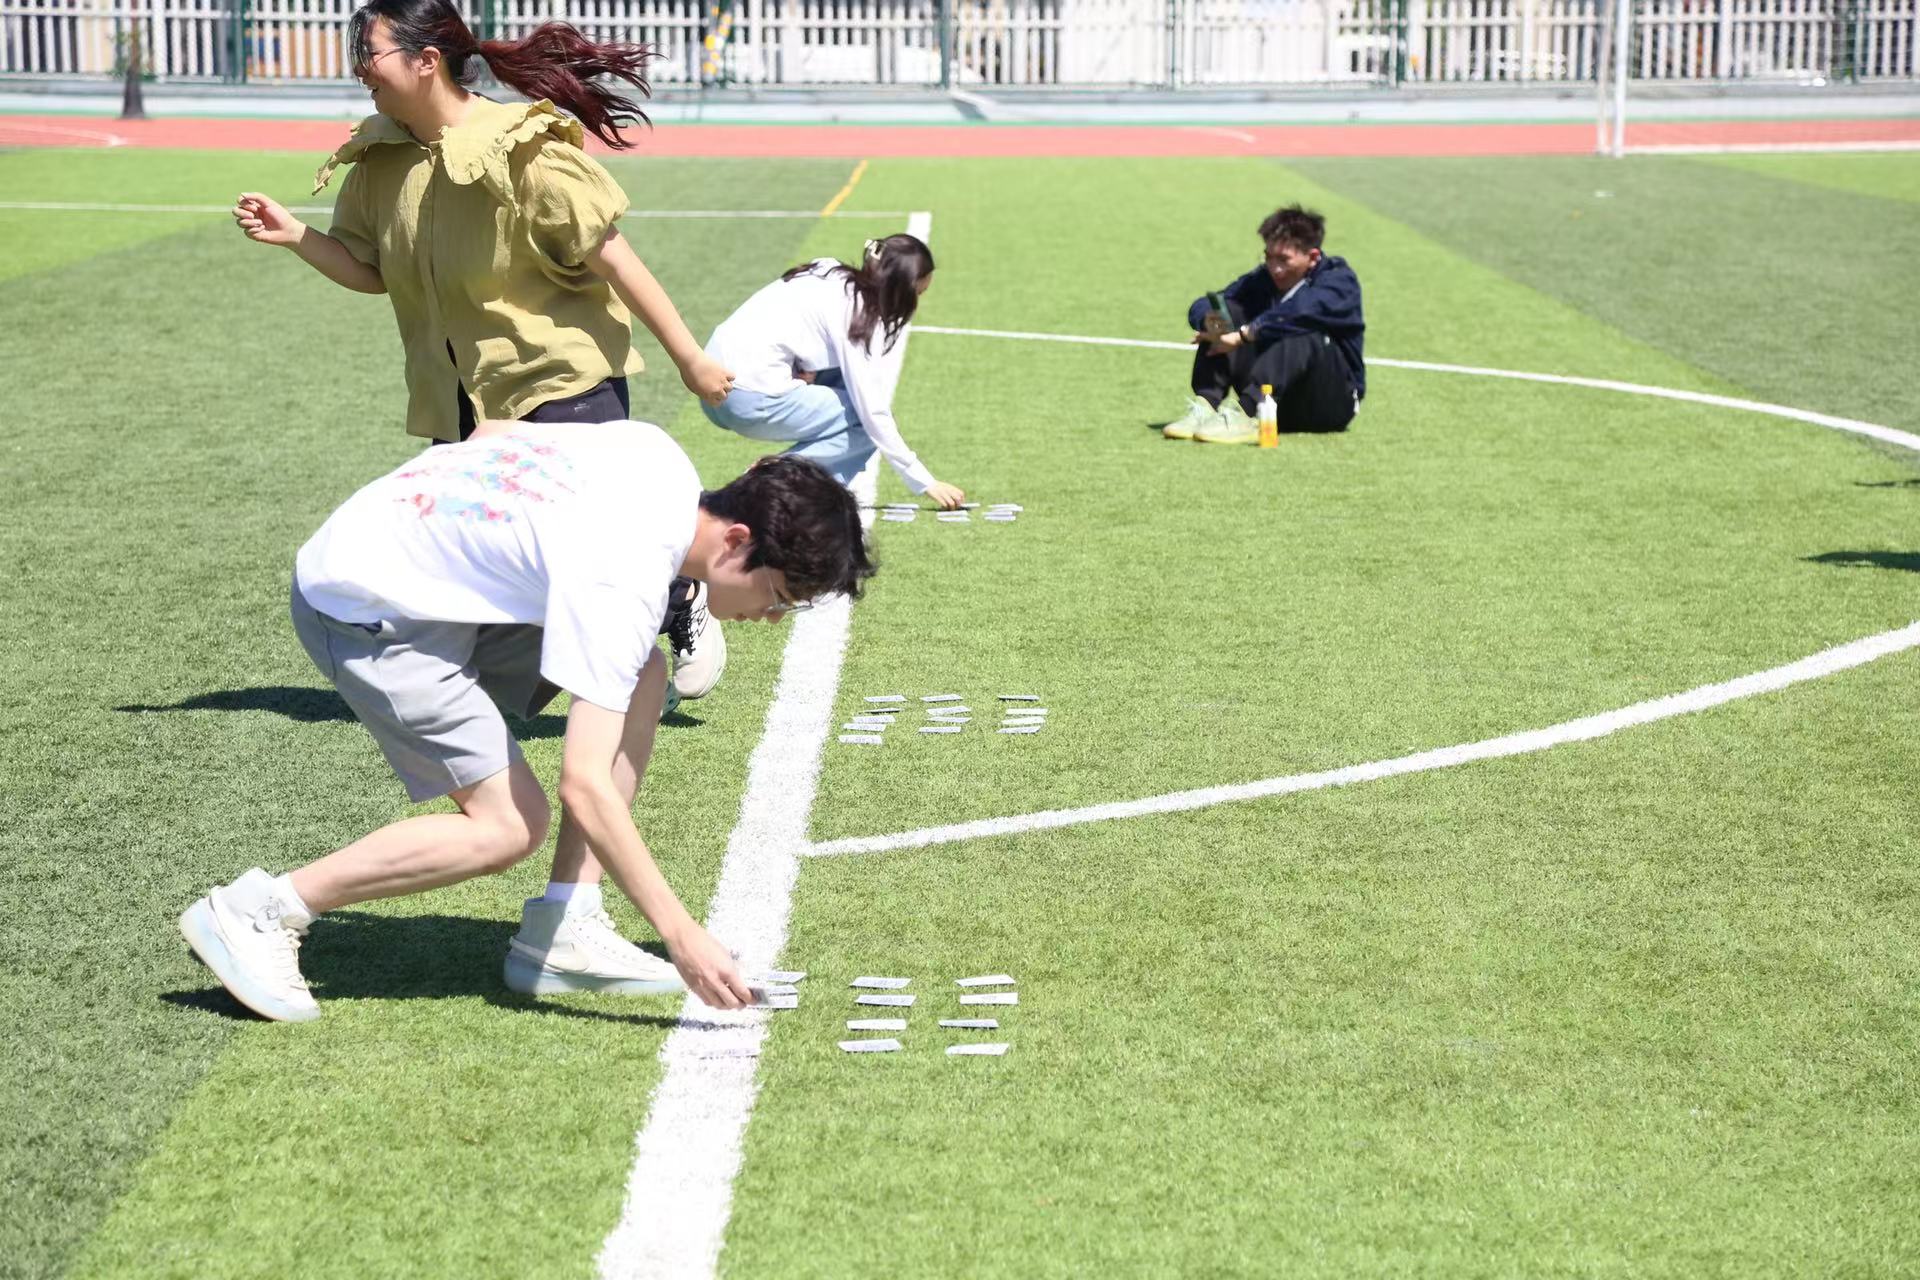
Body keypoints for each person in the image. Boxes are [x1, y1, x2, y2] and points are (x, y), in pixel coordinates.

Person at [178, 425, 874, 1022]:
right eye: (779, 595)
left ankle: (565, 927)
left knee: (644, 673)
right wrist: (681, 933)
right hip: (365, 607)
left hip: (406, 557)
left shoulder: (659, 454)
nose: (772, 617)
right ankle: (262, 911)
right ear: (737, 539)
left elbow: (495, 432)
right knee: (508, 826)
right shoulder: (625, 579)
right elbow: (585, 785)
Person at [229, 0, 729, 699]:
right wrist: (297, 237)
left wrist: (690, 358)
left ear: (426, 61)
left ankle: (681, 600)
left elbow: (615, 258)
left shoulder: (522, 148)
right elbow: (370, 271)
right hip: (462, 399)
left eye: (369, 52)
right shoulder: (379, 160)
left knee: (603, 538)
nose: (358, 69)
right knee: (498, 562)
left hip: (560, 383)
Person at [699, 234, 966, 510]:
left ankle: (796, 479)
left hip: (708, 385)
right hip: (744, 398)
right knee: (864, 424)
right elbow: (872, 413)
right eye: (917, 294)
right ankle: (775, 478)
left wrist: (801, 369)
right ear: (900, 290)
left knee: (842, 381)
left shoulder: (827, 267)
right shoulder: (859, 315)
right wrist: (924, 481)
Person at [1164, 204, 1367, 444]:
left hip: (1327, 405)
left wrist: (1244, 334)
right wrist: (1211, 323)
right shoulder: (1264, 278)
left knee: (1300, 328)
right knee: (1227, 313)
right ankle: (1206, 406)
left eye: (1284, 259)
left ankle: (1247, 412)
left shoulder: (1339, 281)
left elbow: (1300, 312)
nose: (1274, 268)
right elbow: (1213, 301)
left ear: (1312, 257)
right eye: (1269, 257)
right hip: (1276, 404)